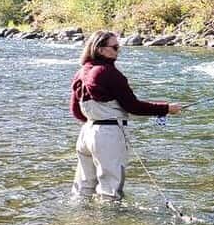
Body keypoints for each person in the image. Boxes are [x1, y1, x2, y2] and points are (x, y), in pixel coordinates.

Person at [69, 30, 182, 200]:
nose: (118, 50)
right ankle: (109, 224)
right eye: (114, 47)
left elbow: (76, 111)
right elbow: (133, 106)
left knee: (83, 188)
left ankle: (81, 222)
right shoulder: (108, 73)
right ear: (100, 49)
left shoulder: (81, 72)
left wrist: (94, 124)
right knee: (111, 190)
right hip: (108, 135)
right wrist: (166, 108)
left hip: (86, 133)